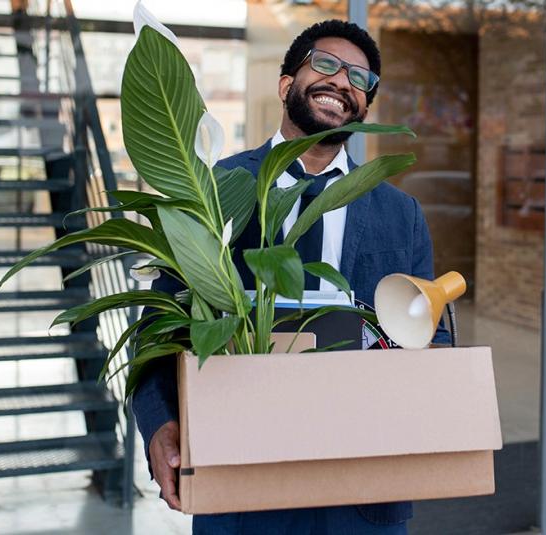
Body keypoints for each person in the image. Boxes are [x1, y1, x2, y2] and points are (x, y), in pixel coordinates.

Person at [132, 19, 451, 535]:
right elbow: (158, 326)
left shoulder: (401, 214)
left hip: (364, 492)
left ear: (365, 106)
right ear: (286, 84)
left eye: (360, 79)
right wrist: (159, 424)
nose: (343, 83)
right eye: (325, 65)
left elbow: (430, 336)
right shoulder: (213, 189)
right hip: (240, 481)